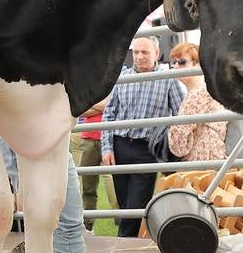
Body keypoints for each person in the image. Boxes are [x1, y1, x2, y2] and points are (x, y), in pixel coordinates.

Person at [100, 36, 185, 236]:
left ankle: (122, 244)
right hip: (119, 147)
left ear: (156, 54)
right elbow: (108, 115)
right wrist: (107, 148)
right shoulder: (122, 78)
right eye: (136, 52)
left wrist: (168, 147)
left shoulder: (168, 80)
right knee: (124, 204)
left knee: (136, 206)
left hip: (146, 149)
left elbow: (182, 115)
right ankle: (129, 242)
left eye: (145, 52)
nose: (139, 57)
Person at [166, 42, 227, 163]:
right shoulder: (205, 91)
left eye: (182, 62)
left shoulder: (198, 95)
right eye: (174, 62)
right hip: (210, 163)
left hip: (200, 165)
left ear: (198, 65)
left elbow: (177, 146)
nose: (176, 67)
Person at [70, 96, 113, 230]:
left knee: (115, 182)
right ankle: (88, 225)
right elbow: (79, 110)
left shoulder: (113, 80)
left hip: (111, 137)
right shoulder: (89, 86)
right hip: (88, 137)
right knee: (87, 185)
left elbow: (112, 105)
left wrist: (91, 103)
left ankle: (123, 220)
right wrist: (104, 106)